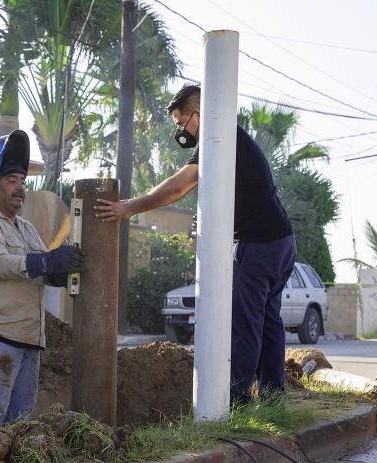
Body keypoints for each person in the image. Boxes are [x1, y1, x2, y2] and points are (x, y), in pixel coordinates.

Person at [94, 84, 296, 406]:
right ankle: (273, 399)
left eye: (181, 122)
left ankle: (237, 402)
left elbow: (178, 187)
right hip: (281, 241)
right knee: (268, 321)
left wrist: (129, 207)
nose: (180, 130)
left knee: (244, 323)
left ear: (198, 114)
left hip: (257, 245)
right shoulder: (231, 136)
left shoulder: (217, 138)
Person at [0, 129, 84, 429]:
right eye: (11, 181)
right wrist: (48, 260)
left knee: (20, 423)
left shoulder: (26, 229)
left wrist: (61, 267)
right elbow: (1, 264)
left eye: (22, 181)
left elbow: (41, 271)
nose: (20, 188)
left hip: (29, 341)